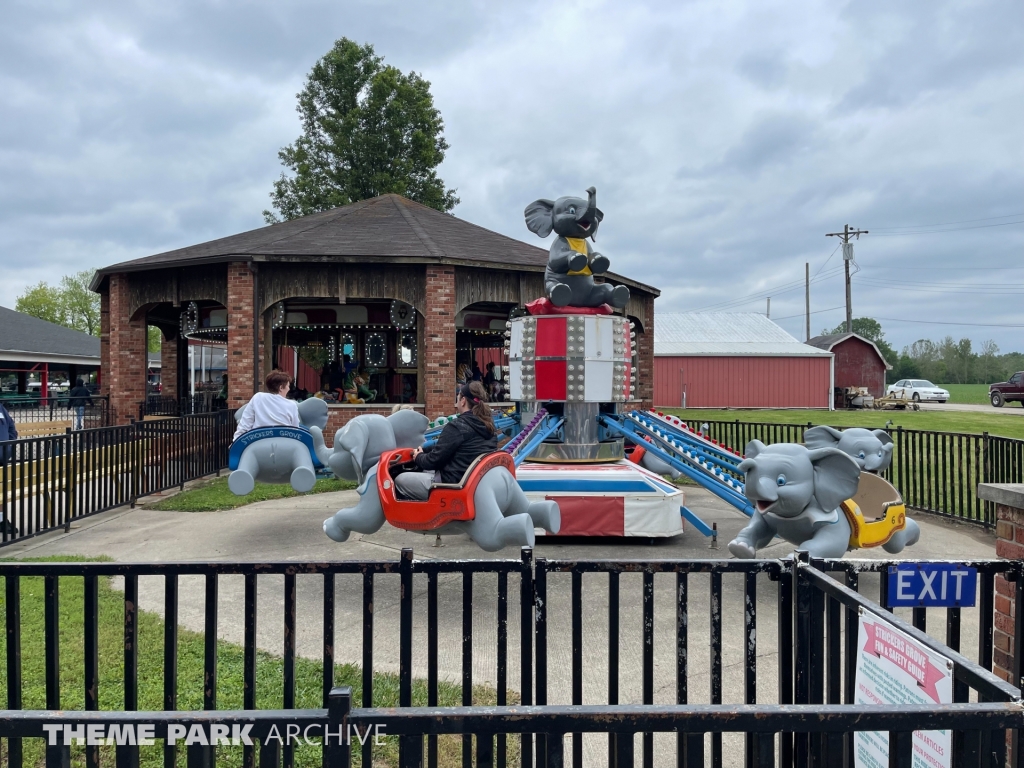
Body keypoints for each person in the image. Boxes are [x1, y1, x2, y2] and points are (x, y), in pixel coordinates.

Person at [395, 381, 497, 500]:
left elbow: (432, 462)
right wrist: (425, 450)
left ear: (463, 400)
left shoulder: (457, 426)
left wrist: (418, 456)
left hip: (452, 485)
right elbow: (450, 448)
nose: (457, 401)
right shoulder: (489, 426)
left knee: (399, 480)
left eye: (458, 397)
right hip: (475, 483)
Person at [232, 370, 301, 441]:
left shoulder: (258, 397)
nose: (289, 389)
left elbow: (245, 424)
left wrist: (235, 443)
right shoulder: (292, 404)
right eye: (288, 386)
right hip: (283, 442)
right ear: (281, 388)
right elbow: (295, 429)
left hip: (259, 441)